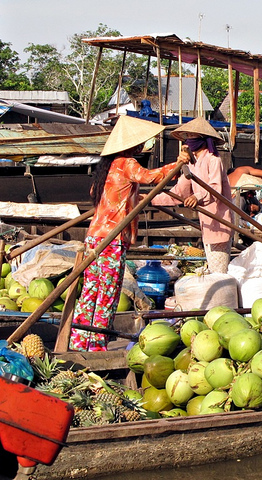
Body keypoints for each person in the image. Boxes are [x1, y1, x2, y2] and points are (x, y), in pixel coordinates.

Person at [70, 116, 186, 352]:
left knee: (91, 289)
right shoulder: (126, 163)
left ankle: (80, 340)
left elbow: (101, 193)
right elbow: (150, 178)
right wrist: (178, 164)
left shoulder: (107, 167)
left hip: (94, 236)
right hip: (112, 238)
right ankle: (97, 343)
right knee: (108, 291)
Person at [152, 117, 233, 273]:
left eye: (191, 137)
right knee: (213, 266)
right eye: (186, 137)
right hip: (206, 222)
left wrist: (197, 197)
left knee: (219, 271)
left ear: (202, 139)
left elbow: (216, 187)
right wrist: (151, 199)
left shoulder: (213, 159)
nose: (188, 141)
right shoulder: (192, 164)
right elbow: (179, 192)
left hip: (219, 220)